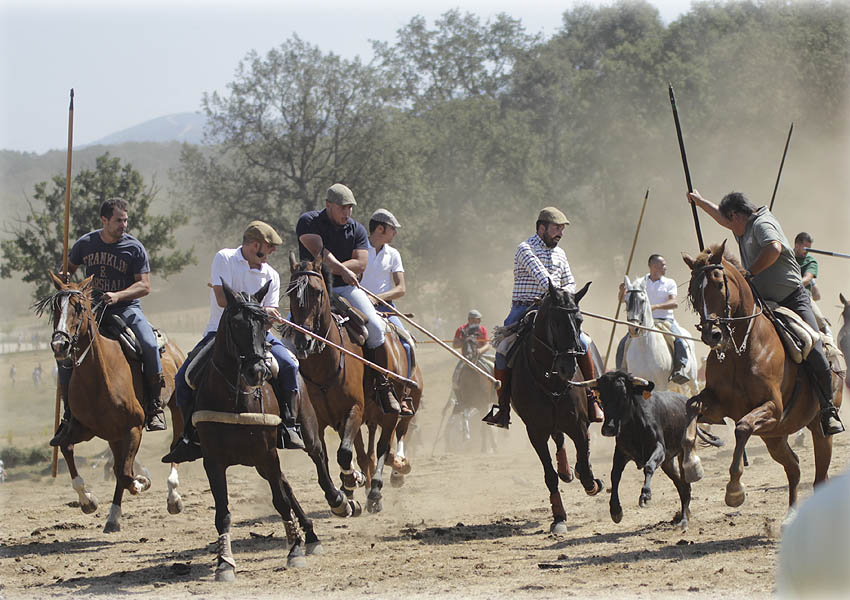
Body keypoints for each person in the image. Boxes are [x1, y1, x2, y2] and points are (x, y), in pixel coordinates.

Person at [687, 190, 843, 435]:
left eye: (729, 221)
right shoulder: (743, 225)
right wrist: (699, 201)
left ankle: (827, 409)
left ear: (737, 216)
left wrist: (751, 273)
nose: (727, 225)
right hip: (763, 300)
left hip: (792, 298)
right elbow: (720, 215)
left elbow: (774, 248)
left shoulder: (762, 223)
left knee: (814, 348)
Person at [162, 221, 304, 463]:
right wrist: (254, 310)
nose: (271, 253)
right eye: (268, 247)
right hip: (219, 335)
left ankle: (289, 426)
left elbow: (269, 312)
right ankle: (188, 437)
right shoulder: (224, 258)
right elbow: (221, 298)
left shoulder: (271, 274)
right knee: (183, 379)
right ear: (254, 244)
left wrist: (270, 315)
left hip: (258, 338)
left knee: (290, 367)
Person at [50, 198, 166, 448]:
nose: (124, 224)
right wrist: (64, 276)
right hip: (93, 311)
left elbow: (144, 286)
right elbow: (68, 270)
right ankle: (70, 415)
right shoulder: (86, 243)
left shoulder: (134, 248)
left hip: (127, 308)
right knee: (67, 354)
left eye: (125, 220)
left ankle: (155, 406)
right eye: (118, 220)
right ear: (104, 220)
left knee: (148, 343)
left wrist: (118, 295)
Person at [483, 207, 602, 428]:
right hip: (524, 308)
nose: (560, 233)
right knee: (503, 348)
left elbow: (570, 281)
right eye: (556, 228)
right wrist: (559, 294)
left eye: (562, 229)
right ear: (542, 227)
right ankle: (502, 406)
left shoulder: (561, 253)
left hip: (557, 309)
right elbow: (543, 278)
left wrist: (564, 298)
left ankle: (591, 397)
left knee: (584, 342)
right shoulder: (525, 249)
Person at [296, 183, 399, 414]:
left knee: (375, 327)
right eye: (342, 207)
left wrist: (336, 268)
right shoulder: (308, 221)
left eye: (350, 208)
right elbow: (319, 253)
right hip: (311, 288)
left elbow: (361, 262)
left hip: (345, 289)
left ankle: (383, 385)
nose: (347, 213)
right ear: (328, 205)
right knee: (291, 336)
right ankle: (291, 400)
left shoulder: (358, 230)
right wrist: (343, 268)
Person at [360, 208, 415, 416]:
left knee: (407, 344)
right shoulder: (359, 248)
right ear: (381, 228)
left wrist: (377, 298)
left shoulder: (393, 254)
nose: (395, 234)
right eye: (393, 229)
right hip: (358, 306)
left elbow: (401, 288)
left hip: (385, 308)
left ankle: (403, 394)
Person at [616, 254, 691, 384]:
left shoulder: (669, 282)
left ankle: (680, 369)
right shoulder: (640, 282)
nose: (665, 267)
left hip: (665, 321)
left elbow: (674, 302)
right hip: (643, 322)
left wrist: (655, 307)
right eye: (663, 265)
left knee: (679, 340)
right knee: (623, 344)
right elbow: (623, 300)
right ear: (654, 267)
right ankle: (621, 371)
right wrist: (622, 291)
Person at [793, 232, 831, 335]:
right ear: (797, 245)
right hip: (782, 294)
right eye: (805, 248)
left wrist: (793, 284)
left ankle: (830, 345)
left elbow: (807, 278)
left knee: (820, 321)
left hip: (803, 296)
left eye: (809, 248)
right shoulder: (787, 257)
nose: (807, 251)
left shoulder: (810, 261)